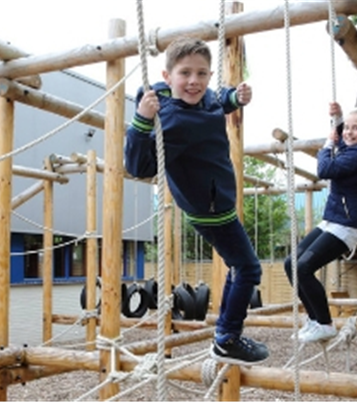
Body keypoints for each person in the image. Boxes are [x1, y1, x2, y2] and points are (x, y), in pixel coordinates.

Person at [124, 37, 268, 365]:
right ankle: (227, 337)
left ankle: (227, 334)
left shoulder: (202, 99)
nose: (194, 81)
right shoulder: (175, 122)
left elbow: (217, 101)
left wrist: (235, 97)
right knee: (248, 268)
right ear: (168, 75)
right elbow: (138, 167)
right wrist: (141, 120)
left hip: (216, 199)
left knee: (240, 266)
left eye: (202, 74)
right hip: (210, 208)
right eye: (185, 73)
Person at [284, 102, 357, 343]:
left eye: (356, 128)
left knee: (304, 267)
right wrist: (337, 119)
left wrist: (328, 143)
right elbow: (344, 139)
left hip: (348, 223)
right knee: (291, 264)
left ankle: (325, 324)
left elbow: (325, 169)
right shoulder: (356, 148)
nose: (349, 132)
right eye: (347, 127)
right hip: (333, 218)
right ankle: (314, 319)